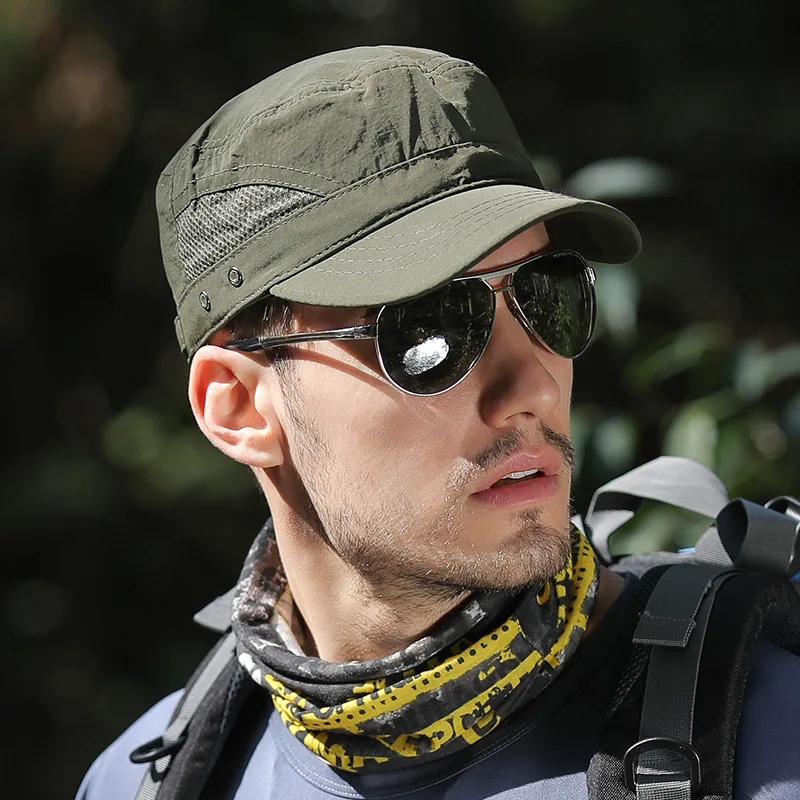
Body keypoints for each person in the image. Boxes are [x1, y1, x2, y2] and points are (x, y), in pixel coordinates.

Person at [76, 45, 800, 799]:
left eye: (545, 294)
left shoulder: (772, 746)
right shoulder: (146, 782)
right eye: (429, 329)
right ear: (239, 406)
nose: (532, 386)